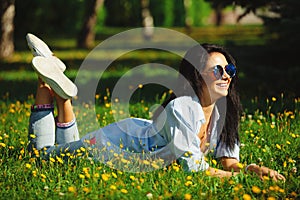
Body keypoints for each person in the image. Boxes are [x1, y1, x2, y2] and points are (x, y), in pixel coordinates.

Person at [26, 33, 285, 181]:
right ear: (196, 75)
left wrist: (252, 169)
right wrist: (245, 180)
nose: (227, 75)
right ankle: (45, 84)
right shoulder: (184, 108)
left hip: (132, 137)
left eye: (229, 69)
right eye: (218, 70)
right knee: (44, 158)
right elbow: (192, 168)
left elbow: (227, 161)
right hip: (116, 143)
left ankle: (60, 94)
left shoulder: (223, 115)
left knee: (62, 153)